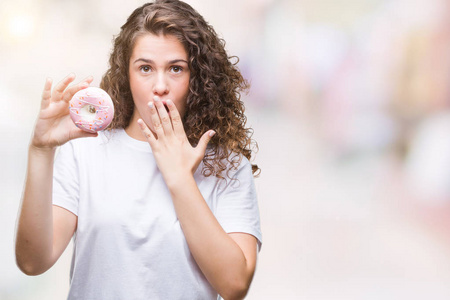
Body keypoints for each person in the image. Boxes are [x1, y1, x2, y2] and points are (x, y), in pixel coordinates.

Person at [14, 0, 262, 299]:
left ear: (197, 78)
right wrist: (40, 150)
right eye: (145, 68)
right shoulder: (86, 152)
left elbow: (235, 285)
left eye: (175, 68)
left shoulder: (227, 166)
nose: (160, 85)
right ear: (126, 76)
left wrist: (180, 179)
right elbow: (32, 262)